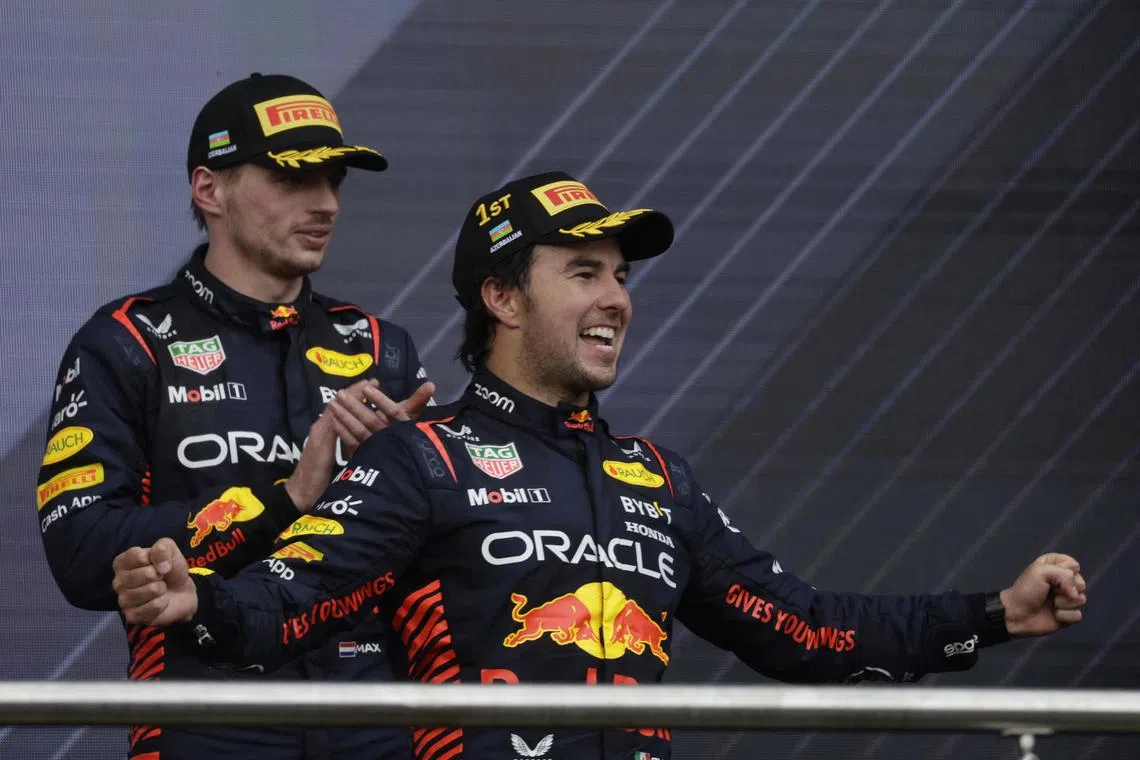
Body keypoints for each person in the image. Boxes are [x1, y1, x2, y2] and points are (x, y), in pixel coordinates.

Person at [112, 171, 1088, 760]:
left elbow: (809, 630)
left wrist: (996, 613)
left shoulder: (659, 476)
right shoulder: (423, 456)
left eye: (620, 273)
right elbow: (293, 599)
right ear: (500, 294)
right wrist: (195, 599)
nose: (616, 296)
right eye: (583, 271)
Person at [37, 73, 434, 760]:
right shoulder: (127, 343)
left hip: (371, 718)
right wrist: (284, 501)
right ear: (208, 189)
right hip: (205, 712)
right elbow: (80, 550)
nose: (327, 204)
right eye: (294, 179)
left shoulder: (379, 348)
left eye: (335, 179)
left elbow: (429, 559)